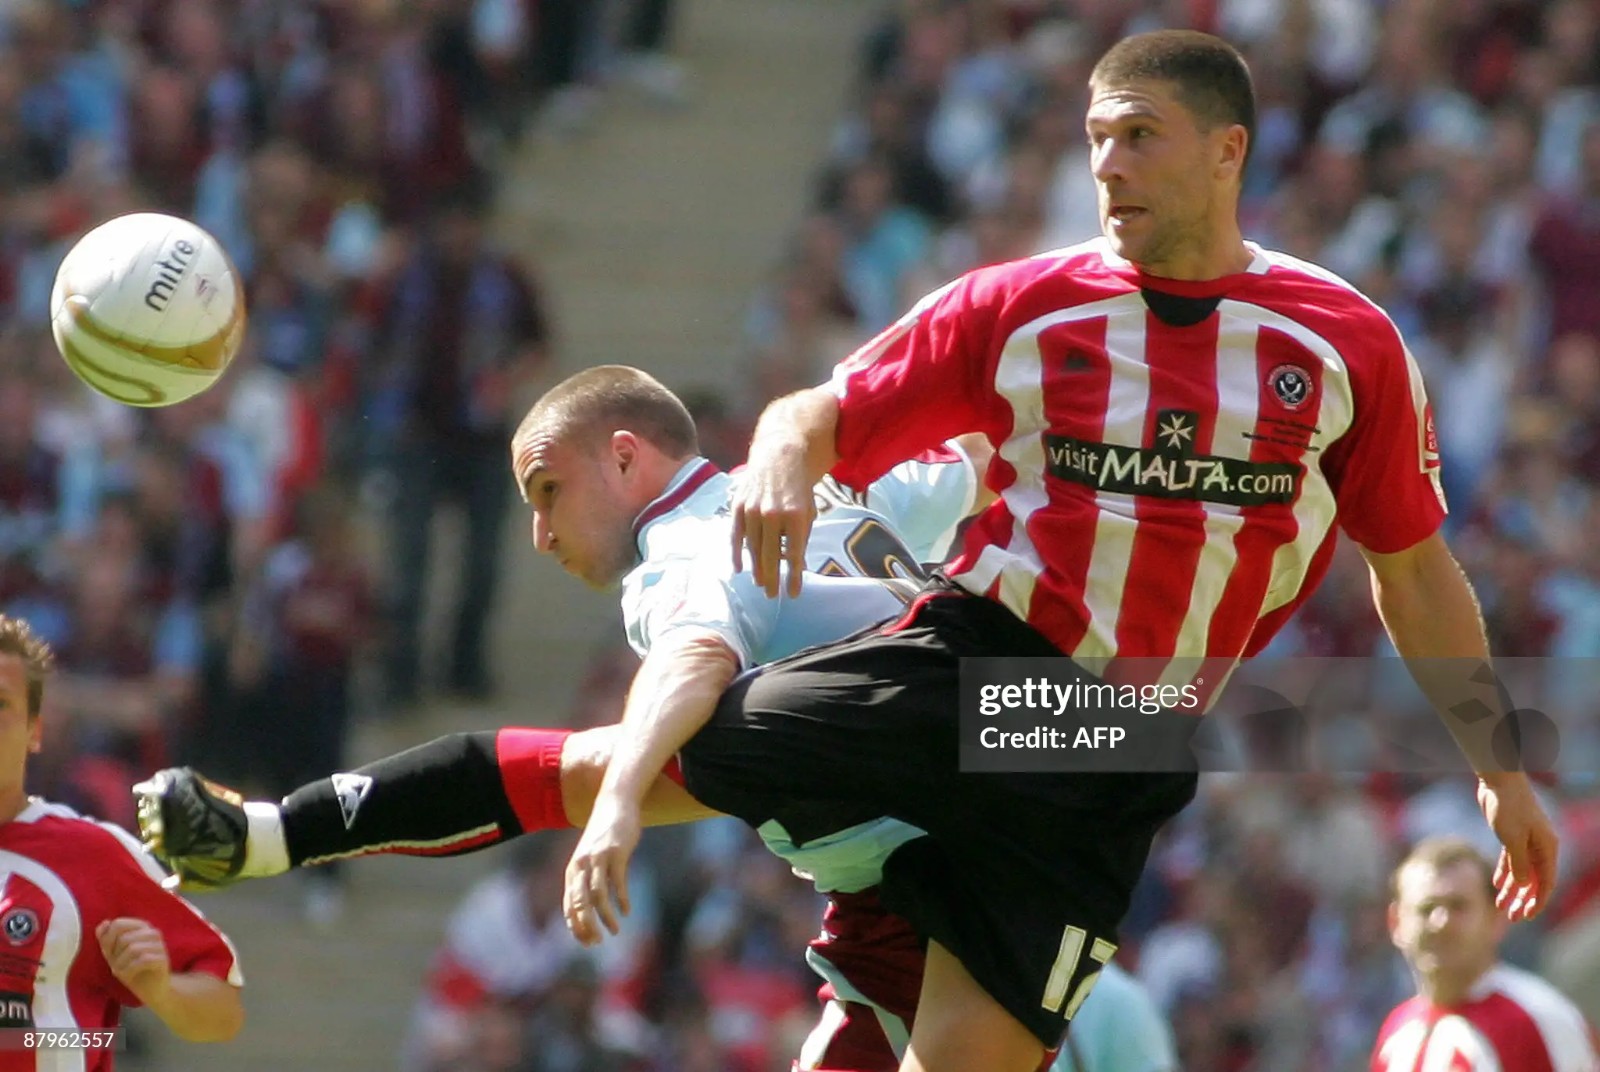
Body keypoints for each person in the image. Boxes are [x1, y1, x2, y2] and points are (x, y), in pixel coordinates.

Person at [627, 29, 1562, 1072]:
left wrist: (1498, 765)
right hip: (980, 665)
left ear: (1227, 151)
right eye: (1095, 139)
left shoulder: (1340, 342)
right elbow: (819, 412)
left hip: (1119, 730)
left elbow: (1416, 573)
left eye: (1138, 137)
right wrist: (778, 458)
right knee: (658, 756)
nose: (1108, 165)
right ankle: (457, 797)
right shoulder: (1020, 304)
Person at [136, 365, 991, 1072]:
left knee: (671, 752)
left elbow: (691, 658)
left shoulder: (684, 551)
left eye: (548, 491)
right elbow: (982, 454)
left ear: (624, 459)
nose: (541, 534)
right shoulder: (818, 487)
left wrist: (618, 808)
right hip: (1009, 750)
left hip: (969, 827)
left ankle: (270, 838)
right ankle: (273, 836)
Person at [0, 614, 243, 1070]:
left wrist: (163, 991)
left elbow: (222, 1013)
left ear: (35, 730)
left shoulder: (91, 856)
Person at [1373, 837, 1598, 1071]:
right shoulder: (1398, 1031)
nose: (1441, 922)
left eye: (1458, 906)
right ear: (1395, 922)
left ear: (1496, 918)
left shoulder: (1538, 1019)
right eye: (1426, 908)